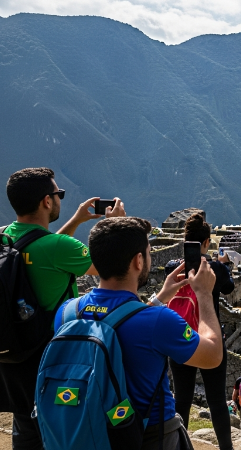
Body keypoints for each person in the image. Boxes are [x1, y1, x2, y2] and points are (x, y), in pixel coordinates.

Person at [53, 217, 224, 450]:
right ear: (138, 260)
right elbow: (212, 355)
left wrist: (160, 297)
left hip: (89, 430)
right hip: (149, 435)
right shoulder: (159, 321)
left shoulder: (67, 313)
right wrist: (204, 294)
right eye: (149, 252)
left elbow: (120, 321)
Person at [0, 167, 124, 450]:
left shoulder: (4, 238)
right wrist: (115, 226)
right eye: (59, 194)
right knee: (58, 435)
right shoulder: (59, 247)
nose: (59, 199)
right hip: (50, 359)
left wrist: (76, 220)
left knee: (26, 432)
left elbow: (42, 247)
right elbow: (109, 266)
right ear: (47, 201)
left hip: (12, 356)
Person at [162, 213, 235, 450]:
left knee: (182, 399)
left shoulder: (172, 268)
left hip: (180, 338)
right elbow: (229, 287)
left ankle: (177, 446)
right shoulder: (214, 269)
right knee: (217, 401)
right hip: (207, 338)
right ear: (206, 242)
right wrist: (224, 265)